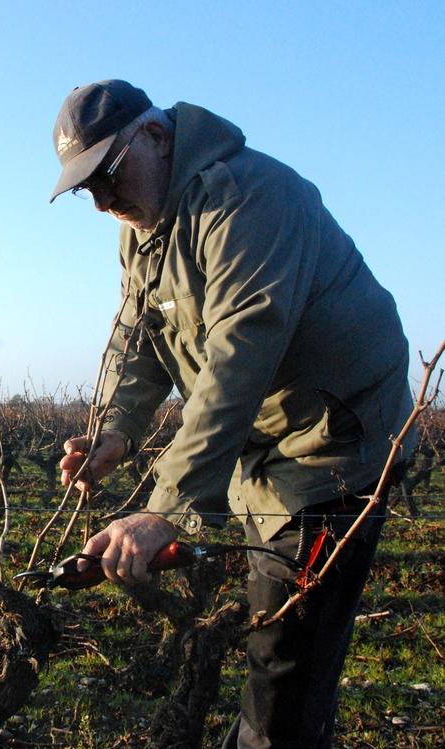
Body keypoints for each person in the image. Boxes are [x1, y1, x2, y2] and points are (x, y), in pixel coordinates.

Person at [51, 79, 415, 748]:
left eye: (108, 173)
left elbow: (238, 358)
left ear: (156, 137)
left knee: (285, 672)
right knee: (282, 656)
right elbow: (141, 336)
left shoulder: (247, 202)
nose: (103, 201)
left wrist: (165, 505)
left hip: (334, 443)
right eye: (86, 190)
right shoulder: (144, 229)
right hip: (269, 446)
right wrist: (116, 432)